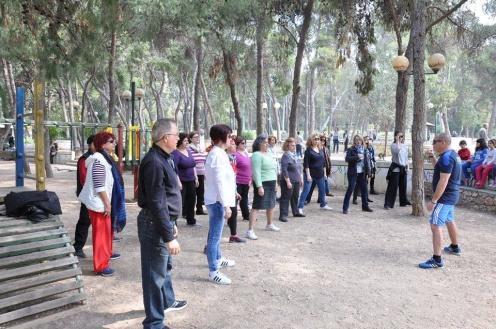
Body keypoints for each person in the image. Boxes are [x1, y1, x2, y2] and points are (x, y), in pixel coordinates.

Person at [137, 119, 187, 329]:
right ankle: (154, 324)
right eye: (176, 134)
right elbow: (157, 202)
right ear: (165, 137)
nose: (178, 138)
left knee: (162, 270)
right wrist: (169, 236)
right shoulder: (155, 161)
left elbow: (164, 199)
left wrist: (171, 222)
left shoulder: (164, 158)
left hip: (161, 220)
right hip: (153, 223)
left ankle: (162, 309)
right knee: (154, 277)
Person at [78, 132, 118, 276]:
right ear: (102, 144)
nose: (114, 143)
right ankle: (101, 266)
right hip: (98, 203)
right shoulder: (99, 160)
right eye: (111, 141)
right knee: (100, 234)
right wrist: (107, 204)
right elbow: (99, 185)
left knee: (105, 232)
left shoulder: (103, 159)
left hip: (100, 202)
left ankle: (104, 259)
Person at [419, 133, 462, 269]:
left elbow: (443, 181)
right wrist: (432, 157)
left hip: (445, 197)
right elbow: (441, 168)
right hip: (452, 196)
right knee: (449, 220)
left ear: (443, 142)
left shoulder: (446, 158)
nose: (433, 144)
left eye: (435, 142)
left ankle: (437, 259)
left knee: (435, 225)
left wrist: (433, 200)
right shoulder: (451, 155)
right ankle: (455, 247)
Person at [204, 124, 237, 284]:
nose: (232, 139)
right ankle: (213, 271)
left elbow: (226, 179)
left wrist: (233, 193)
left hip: (218, 199)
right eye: (229, 136)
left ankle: (218, 258)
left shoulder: (219, 153)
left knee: (215, 234)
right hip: (217, 201)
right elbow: (219, 181)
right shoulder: (216, 154)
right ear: (221, 137)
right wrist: (226, 205)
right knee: (215, 237)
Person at [245, 134, 280, 240]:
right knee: (257, 206)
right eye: (265, 142)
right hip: (262, 183)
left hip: (271, 182)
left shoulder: (269, 153)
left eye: (267, 142)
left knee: (271, 204)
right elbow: (256, 172)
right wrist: (259, 186)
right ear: (259, 143)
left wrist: (276, 183)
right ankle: (250, 230)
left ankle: (269, 224)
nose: (267, 144)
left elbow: (274, 169)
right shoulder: (256, 155)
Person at [297, 133, 333, 215]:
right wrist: (308, 175)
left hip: (320, 174)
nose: (317, 140)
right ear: (311, 140)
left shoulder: (320, 150)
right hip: (310, 174)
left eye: (318, 139)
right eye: (315, 139)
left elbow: (323, 163)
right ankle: (300, 207)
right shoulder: (308, 151)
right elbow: (306, 164)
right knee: (306, 190)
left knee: (322, 190)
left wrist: (324, 174)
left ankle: (323, 204)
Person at [74, 135, 96, 258]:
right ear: (90, 145)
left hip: (96, 196)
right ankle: (78, 247)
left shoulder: (96, 157)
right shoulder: (84, 159)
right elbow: (84, 180)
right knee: (84, 221)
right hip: (88, 196)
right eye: (95, 144)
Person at [172, 133, 199, 226]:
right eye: (185, 141)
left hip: (191, 180)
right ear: (180, 141)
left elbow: (193, 165)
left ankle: (191, 219)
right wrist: (178, 181)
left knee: (192, 200)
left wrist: (196, 177)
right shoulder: (175, 153)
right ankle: (173, 222)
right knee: (179, 201)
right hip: (182, 181)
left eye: (188, 140)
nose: (187, 142)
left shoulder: (188, 151)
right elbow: (174, 168)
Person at [343, 135, 373, 214]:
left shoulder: (365, 150)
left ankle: (365, 206)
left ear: (362, 141)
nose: (358, 141)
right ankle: (345, 208)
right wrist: (357, 157)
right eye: (356, 140)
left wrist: (369, 172)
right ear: (354, 141)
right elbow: (347, 159)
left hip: (362, 173)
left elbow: (367, 161)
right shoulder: (351, 149)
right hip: (353, 173)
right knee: (350, 189)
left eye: (359, 140)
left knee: (364, 190)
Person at [225, 136, 246, 243]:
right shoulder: (223, 158)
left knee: (234, 213)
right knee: (218, 219)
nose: (234, 146)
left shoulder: (233, 157)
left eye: (234, 143)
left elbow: (232, 177)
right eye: (232, 143)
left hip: (231, 190)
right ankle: (209, 244)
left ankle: (233, 235)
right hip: (223, 192)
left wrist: (235, 191)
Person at [384, 131, 411, 209]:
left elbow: (406, 157)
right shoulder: (393, 145)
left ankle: (403, 201)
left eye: (402, 136)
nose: (401, 138)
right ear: (395, 137)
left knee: (403, 186)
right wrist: (397, 141)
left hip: (403, 168)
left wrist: (408, 167)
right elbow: (398, 151)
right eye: (399, 136)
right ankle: (388, 204)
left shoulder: (405, 146)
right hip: (395, 168)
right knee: (392, 187)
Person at [279, 137, 304, 222]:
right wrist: (288, 181)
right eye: (292, 145)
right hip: (288, 180)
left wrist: (300, 179)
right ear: (287, 146)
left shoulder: (294, 155)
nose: (294, 147)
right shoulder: (286, 155)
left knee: (295, 197)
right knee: (286, 197)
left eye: (295, 145)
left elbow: (299, 168)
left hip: (296, 180)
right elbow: (284, 169)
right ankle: (283, 215)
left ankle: (295, 212)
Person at [234, 136, 251, 221]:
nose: (244, 145)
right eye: (242, 143)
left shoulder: (246, 153)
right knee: (235, 199)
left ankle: (246, 215)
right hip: (238, 181)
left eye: (245, 143)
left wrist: (250, 178)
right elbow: (234, 168)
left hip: (246, 180)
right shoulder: (235, 155)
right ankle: (232, 217)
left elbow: (249, 167)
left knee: (245, 199)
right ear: (237, 144)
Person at [189, 131, 207, 215]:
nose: (197, 139)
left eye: (198, 137)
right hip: (193, 173)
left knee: (201, 192)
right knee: (192, 193)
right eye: (195, 137)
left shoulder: (201, 149)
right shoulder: (189, 149)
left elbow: (204, 160)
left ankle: (199, 209)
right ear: (191, 139)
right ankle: (189, 211)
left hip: (201, 173)